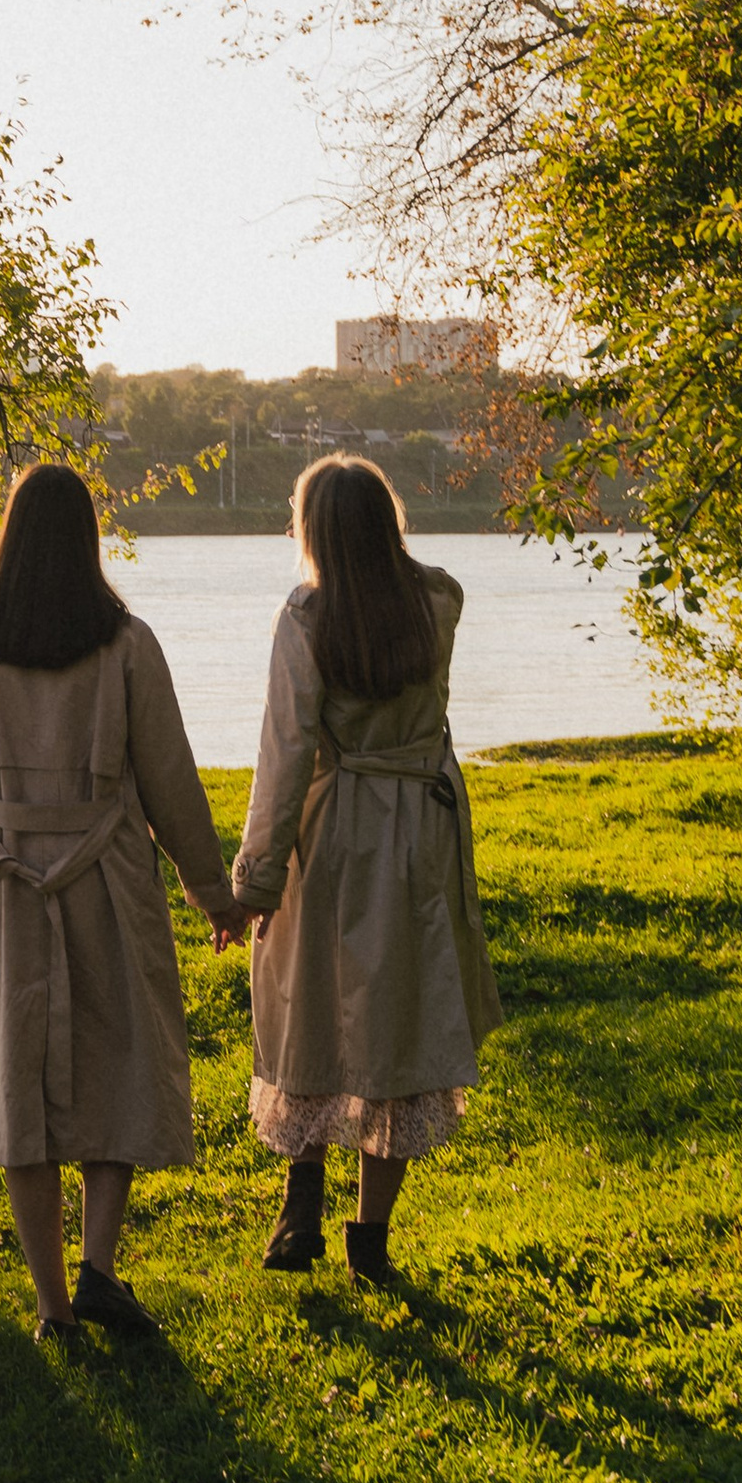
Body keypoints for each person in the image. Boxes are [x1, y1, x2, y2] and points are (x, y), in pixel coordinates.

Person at [0, 463, 242, 1345]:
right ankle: (99, 1265)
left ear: (11, 538)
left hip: (5, 888)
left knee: (15, 1090)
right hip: (105, 879)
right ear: (88, 538)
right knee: (118, 1064)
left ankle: (54, 1305)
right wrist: (211, 892)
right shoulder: (127, 642)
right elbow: (172, 782)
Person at [231, 454, 499, 1286]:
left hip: (335, 823)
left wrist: (255, 880)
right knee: (400, 1020)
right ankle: (369, 1237)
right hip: (418, 823)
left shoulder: (308, 616)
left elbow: (285, 753)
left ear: (311, 530)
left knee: (309, 1003)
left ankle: (300, 1197)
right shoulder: (439, 598)